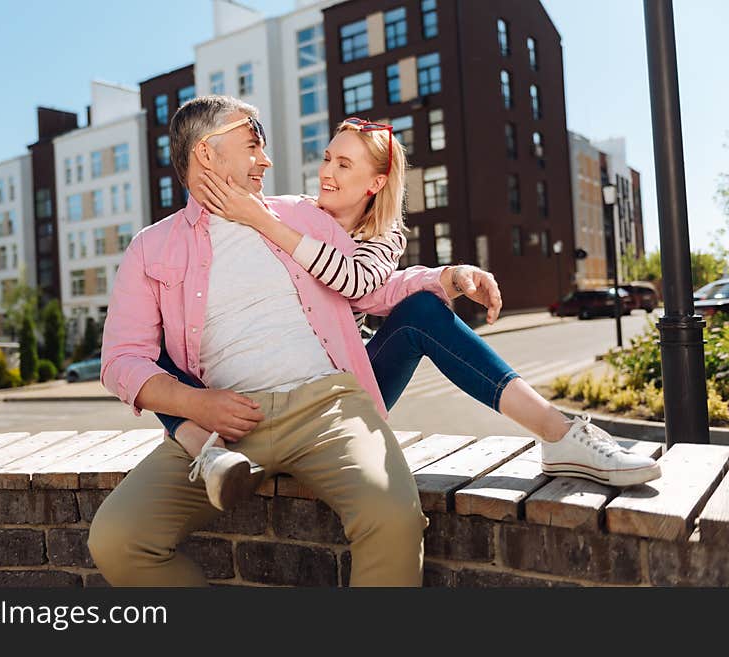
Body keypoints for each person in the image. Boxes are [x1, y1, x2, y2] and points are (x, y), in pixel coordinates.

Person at [158, 115, 662, 508]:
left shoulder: (385, 237)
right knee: (151, 344)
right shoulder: (289, 212)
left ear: (375, 184)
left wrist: (444, 277)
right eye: (328, 158)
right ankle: (206, 448)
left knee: (420, 312)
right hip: (266, 390)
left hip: (340, 390)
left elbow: (362, 286)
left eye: (344, 165)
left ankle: (561, 435)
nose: (327, 173)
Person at [88, 95, 466, 586]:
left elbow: (364, 287)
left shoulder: (301, 216)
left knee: (392, 517)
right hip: (219, 430)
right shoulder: (151, 247)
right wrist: (195, 404)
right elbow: (121, 360)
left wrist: (447, 278)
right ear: (207, 151)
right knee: (117, 538)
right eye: (252, 145)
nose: (266, 160)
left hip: (325, 406)